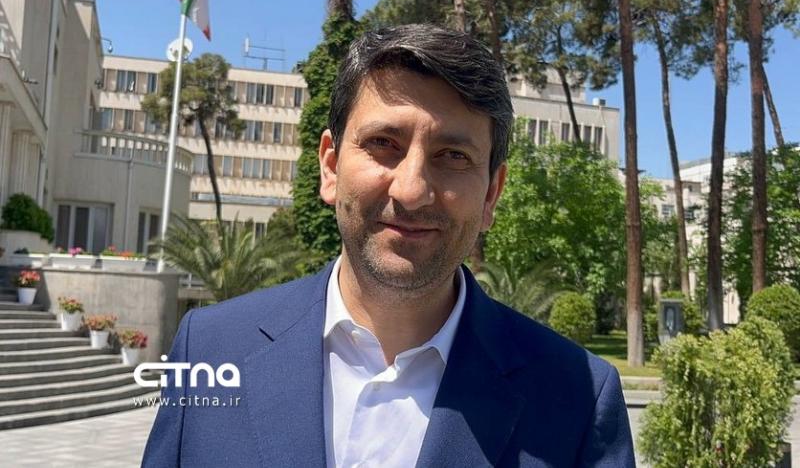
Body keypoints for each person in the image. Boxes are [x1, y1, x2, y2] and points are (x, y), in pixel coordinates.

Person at [142, 24, 635, 468]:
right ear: (330, 166)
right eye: (383, 143)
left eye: (453, 155)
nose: (412, 190)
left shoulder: (577, 399)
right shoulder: (209, 349)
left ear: (491, 195)